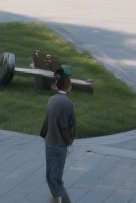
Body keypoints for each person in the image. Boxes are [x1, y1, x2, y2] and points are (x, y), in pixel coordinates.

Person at [40, 74, 77, 203]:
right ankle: (62, 198)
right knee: (56, 177)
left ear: (57, 86)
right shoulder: (68, 104)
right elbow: (68, 125)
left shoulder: (51, 100)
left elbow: (47, 120)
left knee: (50, 175)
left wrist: (44, 134)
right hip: (60, 145)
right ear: (68, 87)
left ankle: (57, 198)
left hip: (49, 142)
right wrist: (69, 140)